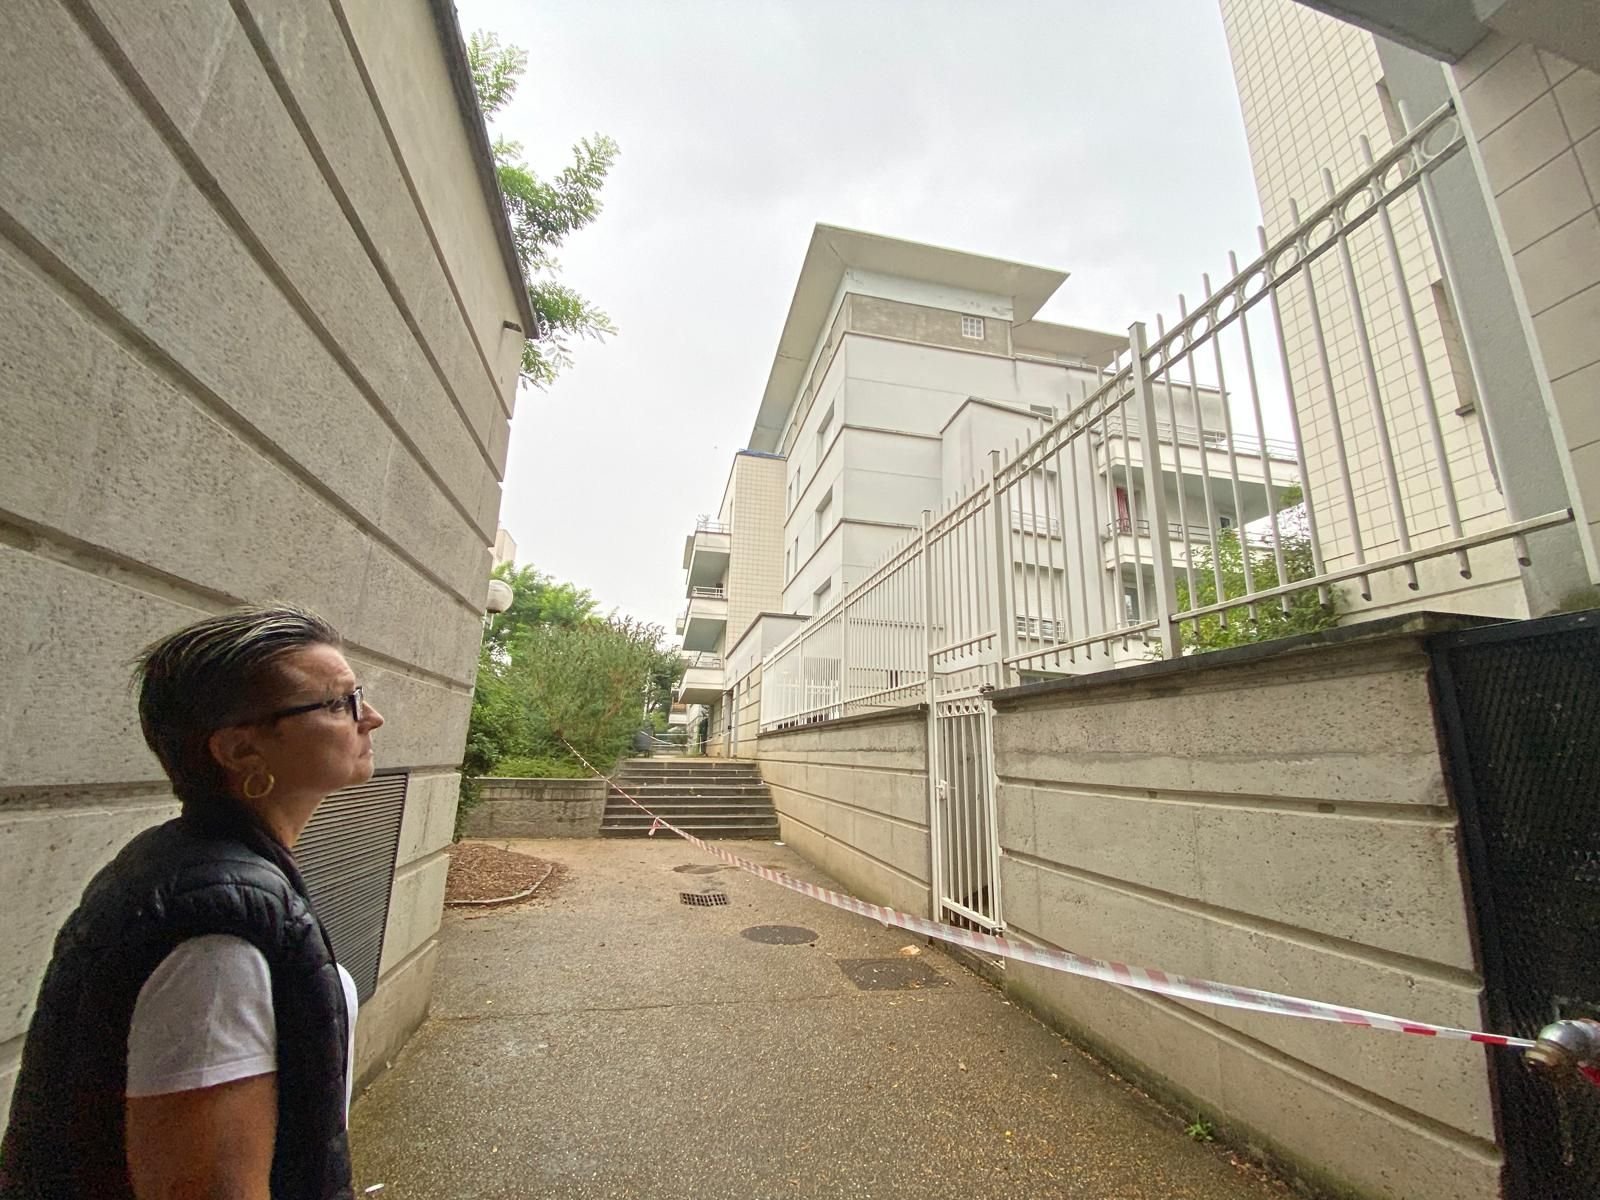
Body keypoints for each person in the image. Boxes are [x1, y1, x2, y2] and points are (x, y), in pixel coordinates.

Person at [0, 606, 384, 1200]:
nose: (371, 719)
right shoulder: (214, 937)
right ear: (237, 749)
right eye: (339, 704)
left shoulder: (202, 869)